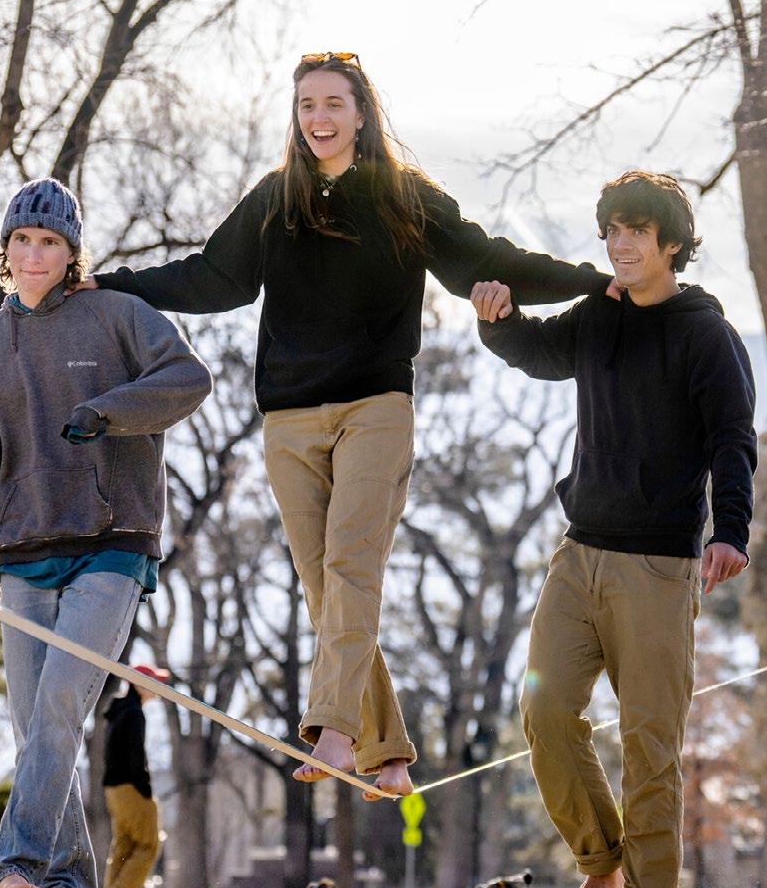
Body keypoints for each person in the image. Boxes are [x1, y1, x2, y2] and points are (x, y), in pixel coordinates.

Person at [73, 52, 616, 798]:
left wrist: (593, 282)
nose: (319, 117)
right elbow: (211, 276)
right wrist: (112, 285)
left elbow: (487, 260)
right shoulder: (276, 200)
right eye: (306, 105)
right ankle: (387, 752)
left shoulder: (404, 197)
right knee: (325, 588)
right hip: (289, 420)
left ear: (361, 113)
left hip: (375, 409)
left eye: (333, 103)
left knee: (352, 567)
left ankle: (332, 730)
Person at [473, 171, 757, 888]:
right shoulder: (598, 314)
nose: (620, 244)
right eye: (612, 230)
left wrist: (730, 529)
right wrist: (498, 320)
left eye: (637, 230)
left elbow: (733, 439)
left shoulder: (707, 335)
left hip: (658, 566)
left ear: (672, 244)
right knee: (544, 715)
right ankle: (602, 868)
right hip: (578, 554)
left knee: (648, 742)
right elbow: (539, 352)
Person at [0, 178, 212, 888]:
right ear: (5, 250)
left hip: (112, 543)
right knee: (34, 723)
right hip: (24, 550)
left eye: (50, 242)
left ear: (71, 253)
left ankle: (16, 863)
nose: (34, 254)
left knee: (60, 703)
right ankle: (67, 882)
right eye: (21, 240)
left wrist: (108, 411)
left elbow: (189, 378)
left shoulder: (118, 314)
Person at [102, 665, 166, 888]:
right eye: (153, 681)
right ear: (138, 684)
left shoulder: (118, 711)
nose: (158, 686)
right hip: (131, 787)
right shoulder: (134, 713)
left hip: (113, 789)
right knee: (149, 844)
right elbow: (136, 756)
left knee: (124, 843)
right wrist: (145, 790)